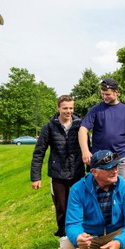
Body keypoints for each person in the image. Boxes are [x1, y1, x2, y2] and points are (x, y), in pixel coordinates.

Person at [30, 95, 85, 238]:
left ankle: (81, 232)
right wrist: (36, 177)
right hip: (58, 173)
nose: (68, 111)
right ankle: (63, 234)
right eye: (65, 108)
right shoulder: (49, 127)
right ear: (58, 108)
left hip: (77, 170)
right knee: (61, 206)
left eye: (71, 108)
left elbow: (88, 147)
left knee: (81, 203)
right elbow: (39, 152)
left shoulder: (80, 125)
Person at [79, 78, 125, 184]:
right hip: (100, 158)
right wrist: (85, 150)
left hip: (120, 156)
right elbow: (83, 129)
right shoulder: (96, 109)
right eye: (102, 94)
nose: (104, 97)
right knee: (99, 192)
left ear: (116, 92)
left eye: (107, 94)